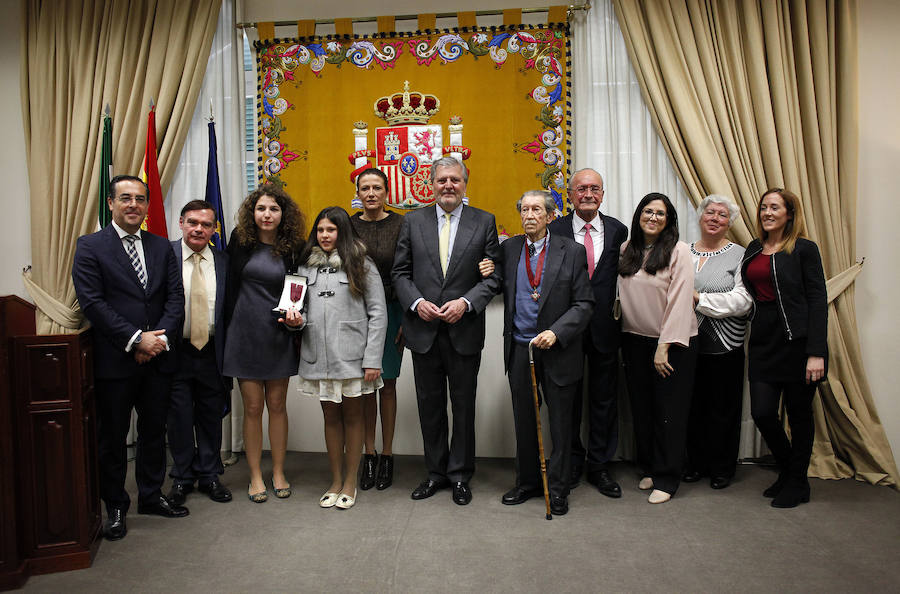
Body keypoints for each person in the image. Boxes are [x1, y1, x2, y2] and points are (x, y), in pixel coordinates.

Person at [72, 175, 187, 541]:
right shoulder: (90, 246)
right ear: (111, 203)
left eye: (140, 198)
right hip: (115, 361)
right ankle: (116, 507)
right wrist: (137, 340)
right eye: (125, 198)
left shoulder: (161, 247)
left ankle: (151, 496)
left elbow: (175, 300)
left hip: (159, 359)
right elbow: (94, 303)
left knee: (155, 432)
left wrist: (157, 341)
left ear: (147, 204)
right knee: (114, 438)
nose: (133, 205)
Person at [392, 156, 501, 505]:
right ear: (432, 184)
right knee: (430, 406)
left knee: (463, 405)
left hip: (464, 330)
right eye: (442, 180)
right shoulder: (413, 221)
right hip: (423, 331)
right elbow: (400, 273)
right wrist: (416, 303)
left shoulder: (484, 222)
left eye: (455, 180)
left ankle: (459, 475)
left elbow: (494, 276)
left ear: (465, 183)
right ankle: (435, 473)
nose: (448, 186)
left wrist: (466, 303)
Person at [498, 190, 594, 516]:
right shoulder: (509, 249)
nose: (529, 215)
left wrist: (558, 331)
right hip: (520, 348)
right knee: (525, 421)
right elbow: (495, 281)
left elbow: (585, 304)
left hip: (559, 350)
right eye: (524, 209)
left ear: (551, 216)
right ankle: (527, 483)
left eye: (536, 209)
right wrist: (483, 268)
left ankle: (558, 488)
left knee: (562, 425)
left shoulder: (572, 251)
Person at [293, 207, 386, 509]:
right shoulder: (305, 267)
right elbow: (299, 308)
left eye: (331, 230)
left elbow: (378, 313)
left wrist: (372, 359)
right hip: (318, 357)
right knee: (330, 418)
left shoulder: (362, 264)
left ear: (342, 232)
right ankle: (334, 480)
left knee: (353, 417)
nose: (324, 236)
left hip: (353, 358)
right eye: (320, 230)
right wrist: (296, 319)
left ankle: (350, 481)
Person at [740, 188, 827, 508]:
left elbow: (818, 299)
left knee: (800, 416)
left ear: (789, 213)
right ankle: (791, 469)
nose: (767, 213)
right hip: (764, 339)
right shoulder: (753, 248)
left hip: (798, 341)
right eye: (764, 207)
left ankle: (797, 482)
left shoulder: (804, 249)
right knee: (762, 412)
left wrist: (816, 351)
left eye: (775, 207)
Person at [223, 184, 305, 503]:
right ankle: (256, 475)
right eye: (261, 209)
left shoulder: (294, 246)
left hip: (277, 334)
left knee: (278, 406)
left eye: (273, 209)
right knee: (253, 408)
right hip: (244, 334)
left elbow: (300, 291)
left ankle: (279, 472)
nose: (267, 214)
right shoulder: (239, 241)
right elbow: (228, 287)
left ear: (283, 214)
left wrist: (299, 318)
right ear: (252, 213)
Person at [548, 168, 628, 497]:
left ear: (603, 194)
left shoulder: (619, 231)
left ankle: (599, 465)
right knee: (566, 401)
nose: (588, 194)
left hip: (605, 329)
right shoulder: (554, 229)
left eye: (595, 188)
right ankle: (569, 462)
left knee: (604, 400)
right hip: (565, 329)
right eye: (581, 189)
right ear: (569, 195)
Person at [618, 193, 697, 504]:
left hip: (671, 344)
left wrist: (664, 346)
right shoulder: (628, 249)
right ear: (639, 215)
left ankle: (667, 478)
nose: (653, 217)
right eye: (648, 211)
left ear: (668, 221)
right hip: (633, 340)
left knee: (669, 414)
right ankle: (651, 466)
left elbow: (680, 302)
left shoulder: (679, 252)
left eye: (660, 214)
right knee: (643, 410)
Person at [683, 195, 753, 490]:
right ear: (700, 218)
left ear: (729, 223)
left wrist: (699, 299)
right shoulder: (681, 252)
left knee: (723, 408)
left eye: (722, 215)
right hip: (686, 342)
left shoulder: (741, 255)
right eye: (709, 212)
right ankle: (694, 464)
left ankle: (722, 468)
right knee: (691, 406)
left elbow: (743, 301)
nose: (714, 218)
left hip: (726, 345)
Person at [166, 200, 233, 506]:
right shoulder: (163, 256)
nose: (198, 229)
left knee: (210, 416)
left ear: (214, 229)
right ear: (181, 223)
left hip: (211, 351)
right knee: (178, 417)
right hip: (174, 351)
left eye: (206, 224)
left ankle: (209, 475)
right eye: (192, 222)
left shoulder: (223, 261)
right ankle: (181, 477)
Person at [350, 168, 405, 491]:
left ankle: (387, 454)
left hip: (394, 311)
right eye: (365, 188)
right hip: (357, 315)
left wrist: (409, 321)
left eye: (377, 188)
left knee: (388, 384)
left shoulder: (402, 224)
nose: (371, 193)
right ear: (357, 192)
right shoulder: (350, 226)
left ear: (387, 192)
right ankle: (367, 454)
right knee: (365, 385)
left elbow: (409, 270)